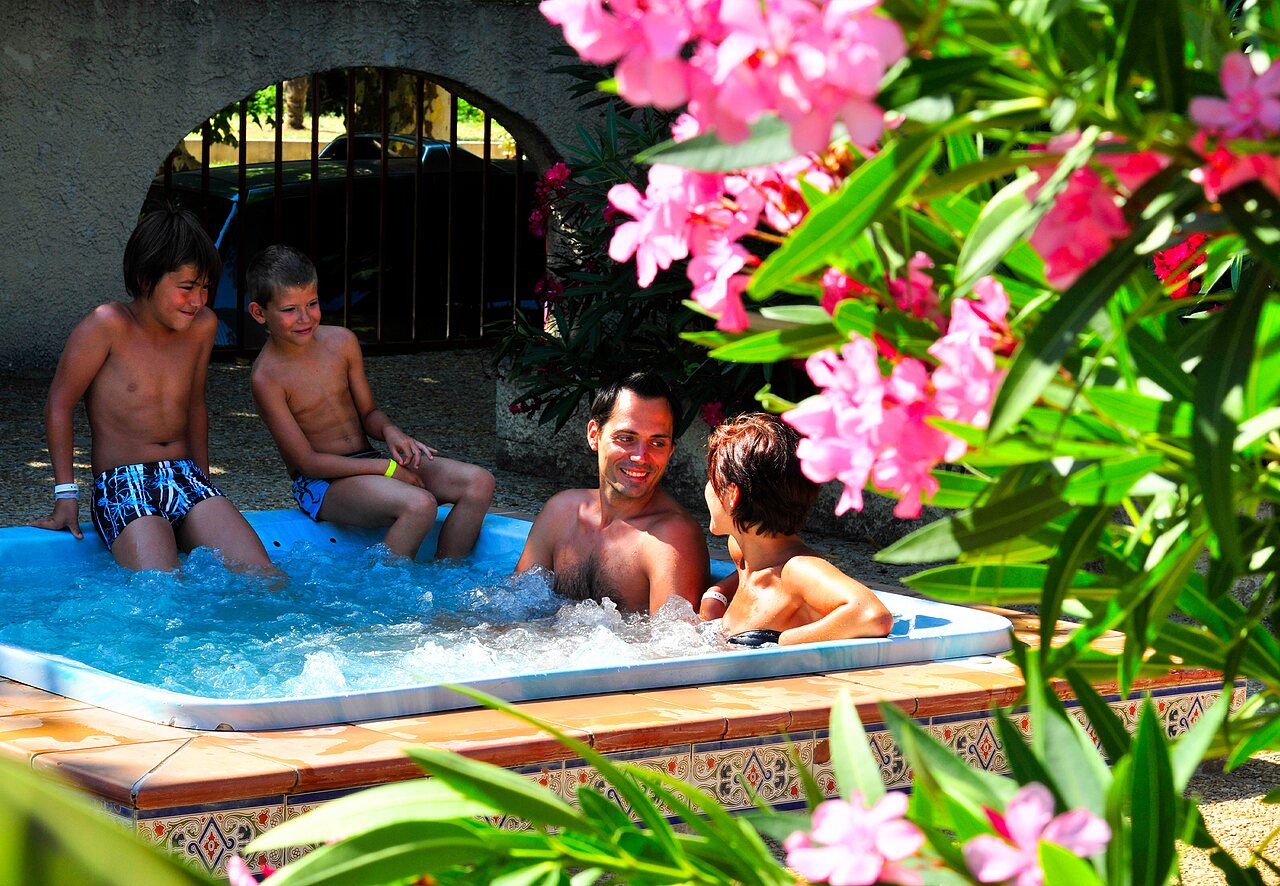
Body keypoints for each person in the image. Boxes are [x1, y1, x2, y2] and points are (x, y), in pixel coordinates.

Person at [31, 207, 276, 574]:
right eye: (187, 288)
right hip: (122, 481)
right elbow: (59, 404)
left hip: (184, 476)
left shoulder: (202, 326)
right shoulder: (106, 325)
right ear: (147, 280)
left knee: (265, 578)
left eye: (206, 287)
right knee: (161, 595)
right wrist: (66, 494)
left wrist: (205, 485)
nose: (199, 300)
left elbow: (194, 405)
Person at [247, 245, 494, 560]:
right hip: (323, 484)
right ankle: (383, 595)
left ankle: (448, 580)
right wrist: (387, 469)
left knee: (479, 483)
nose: (305, 317)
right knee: (419, 505)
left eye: (312, 303)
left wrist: (391, 432)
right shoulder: (266, 378)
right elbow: (306, 462)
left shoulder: (342, 342)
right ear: (259, 313)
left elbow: (369, 413)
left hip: (368, 459)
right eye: (289, 309)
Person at [515, 371, 709, 613]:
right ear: (594, 435)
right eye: (627, 438)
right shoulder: (560, 512)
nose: (640, 456)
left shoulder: (672, 539)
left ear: (670, 450)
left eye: (657, 443)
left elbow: (671, 648)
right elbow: (513, 605)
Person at [698, 412, 893, 646]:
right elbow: (748, 579)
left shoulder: (798, 569)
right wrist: (715, 594)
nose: (707, 488)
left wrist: (779, 641)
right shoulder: (742, 550)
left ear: (732, 494)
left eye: (712, 479)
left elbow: (872, 615)